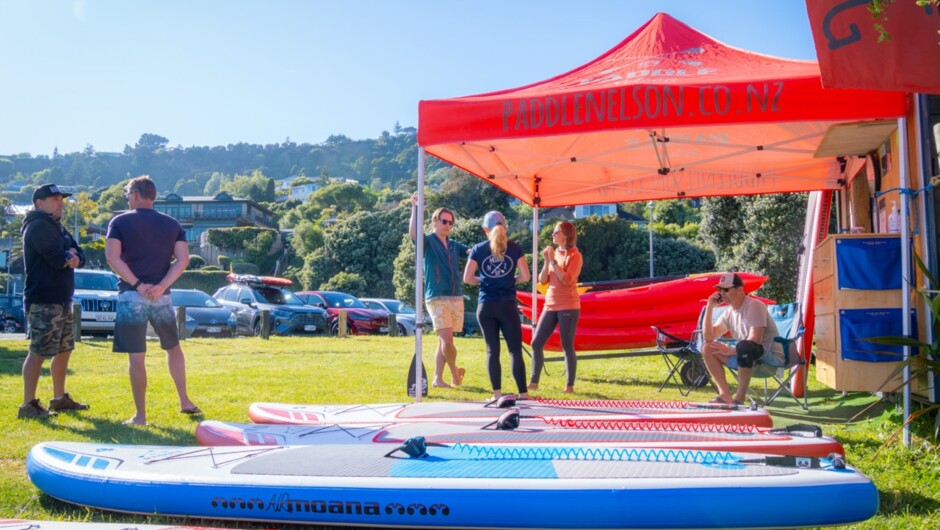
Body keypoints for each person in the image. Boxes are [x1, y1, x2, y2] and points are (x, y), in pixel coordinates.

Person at [105, 175, 200, 425]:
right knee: (173, 347)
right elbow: (183, 260)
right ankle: (185, 401)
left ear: (135, 194)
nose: (127, 199)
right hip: (162, 297)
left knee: (137, 356)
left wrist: (137, 284)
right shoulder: (172, 224)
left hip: (130, 295)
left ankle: (141, 416)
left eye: (127, 194)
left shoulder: (120, 222)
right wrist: (161, 287)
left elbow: (113, 258)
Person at [18, 184, 89, 419]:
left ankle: (59, 399)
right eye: (54, 198)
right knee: (38, 351)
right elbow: (59, 259)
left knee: (64, 349)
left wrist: (73, 256)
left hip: (62, 299)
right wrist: (70, 256)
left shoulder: (58, 227)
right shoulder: (38, 225)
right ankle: (28, 404)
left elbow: (81, 255)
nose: (61, 202)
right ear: (39, 202)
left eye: (61, 199)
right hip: (43, 300)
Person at [464, 211, 531, 400]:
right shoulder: (515, 248)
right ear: (506, 227)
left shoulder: (478, 249)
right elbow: (526, 276)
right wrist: (509, 280)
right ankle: (523, 394)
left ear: (486, 229)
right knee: (515, 350)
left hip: (486, 306)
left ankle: (496, 394)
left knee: (492, 351)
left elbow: (467, 279)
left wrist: (485, 281)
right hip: (507, 305)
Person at [409, 194, 467, 388]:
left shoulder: (454, 245)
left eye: (451, 222)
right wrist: (416, 209)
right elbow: (414, 234)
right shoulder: (428, 241)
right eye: (444, 221)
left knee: (443, 341)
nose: (448, 225)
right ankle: (454, 374)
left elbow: (473, 253)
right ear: (434, 221)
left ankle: (437, 379)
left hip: (455, 296)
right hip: (436, 296)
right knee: (447, 340)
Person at [701, 272, 783, 405]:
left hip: (769, 359)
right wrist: (709, 307)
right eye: (719, 290)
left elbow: (754, 340)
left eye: (726, 289)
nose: (722, 293)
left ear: (740, 290)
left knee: (745, 347)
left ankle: (739, 398)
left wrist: (730, 351)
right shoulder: (728, 312)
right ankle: (725, 395)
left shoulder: (754, 305)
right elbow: (708, 337)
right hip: (746, 358)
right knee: (707, 348)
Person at [528, 221, 582, 394]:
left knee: (567, 344)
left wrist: (553, 263)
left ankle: (569, 386)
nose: (553, 235)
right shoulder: (554, 255)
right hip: (550, 305)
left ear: (566, 235)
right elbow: (542, 280)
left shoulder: (575, 255)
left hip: (568, 305)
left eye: (556, 232)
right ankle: (534, 382)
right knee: (536, 343)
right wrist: (546, 261)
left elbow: (566, 280)